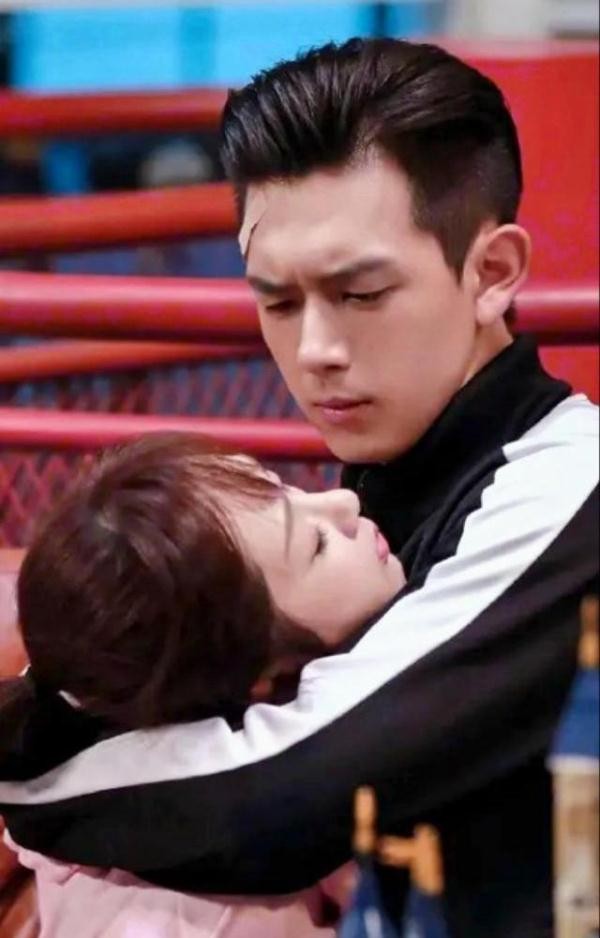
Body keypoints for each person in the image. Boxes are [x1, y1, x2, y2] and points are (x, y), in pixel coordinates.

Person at [0, 38, 597, 938]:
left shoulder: (567, 487)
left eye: (361, 295)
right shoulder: (380, 486)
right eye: (277, 302)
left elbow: (280, 793)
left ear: (492, 273)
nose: (314, 351)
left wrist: (29, 780)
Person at [0, 432, 404, 937]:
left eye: (289, 489)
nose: (345, 502)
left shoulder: (101, 776)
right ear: (255, 678)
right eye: (316, 547)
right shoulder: (226, 919)